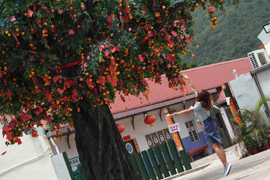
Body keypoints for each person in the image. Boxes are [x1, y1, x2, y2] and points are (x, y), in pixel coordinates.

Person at [167, 74, 232, 177]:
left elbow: (188, 111)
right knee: (218, 145)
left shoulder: (199, 105)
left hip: (206, 124)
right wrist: (189, 80)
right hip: (210, 121)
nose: (196, 94)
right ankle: (225, 164)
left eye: (198, 94)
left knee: (215, 146)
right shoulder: (207, 99)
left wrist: (174, 114)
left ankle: (225, 165)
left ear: (200, 97)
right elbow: (194, 90)